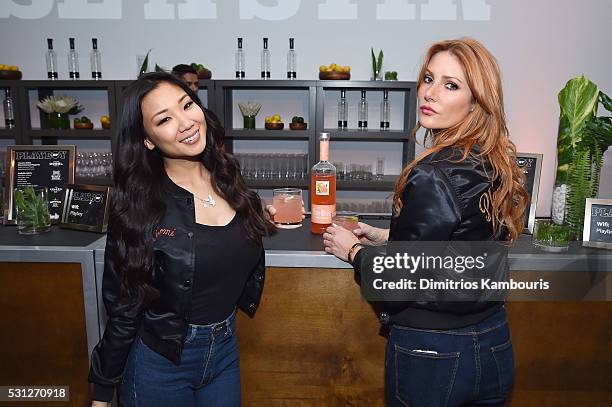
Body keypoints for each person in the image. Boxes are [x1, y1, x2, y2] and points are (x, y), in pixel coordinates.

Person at [323, 38, 528, 407]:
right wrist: (390, 236)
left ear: (477, 100)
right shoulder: (495, 162)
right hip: (495, 341)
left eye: (451, 85)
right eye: (429, 78)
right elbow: (466, 237)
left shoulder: (433, 172)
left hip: (436, 355)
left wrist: (352, 250)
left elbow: (397, 281)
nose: (430, 93)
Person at [89, 72, 280, 407]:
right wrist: (102, 391)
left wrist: (261, 217)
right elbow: (124, 305)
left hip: (223, 351)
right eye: (164, 119)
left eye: (187, 105)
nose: (186, 123)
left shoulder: (226, 176)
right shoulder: (139, 207)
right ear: (147, 139)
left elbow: (220, 242)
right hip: (160, 364)